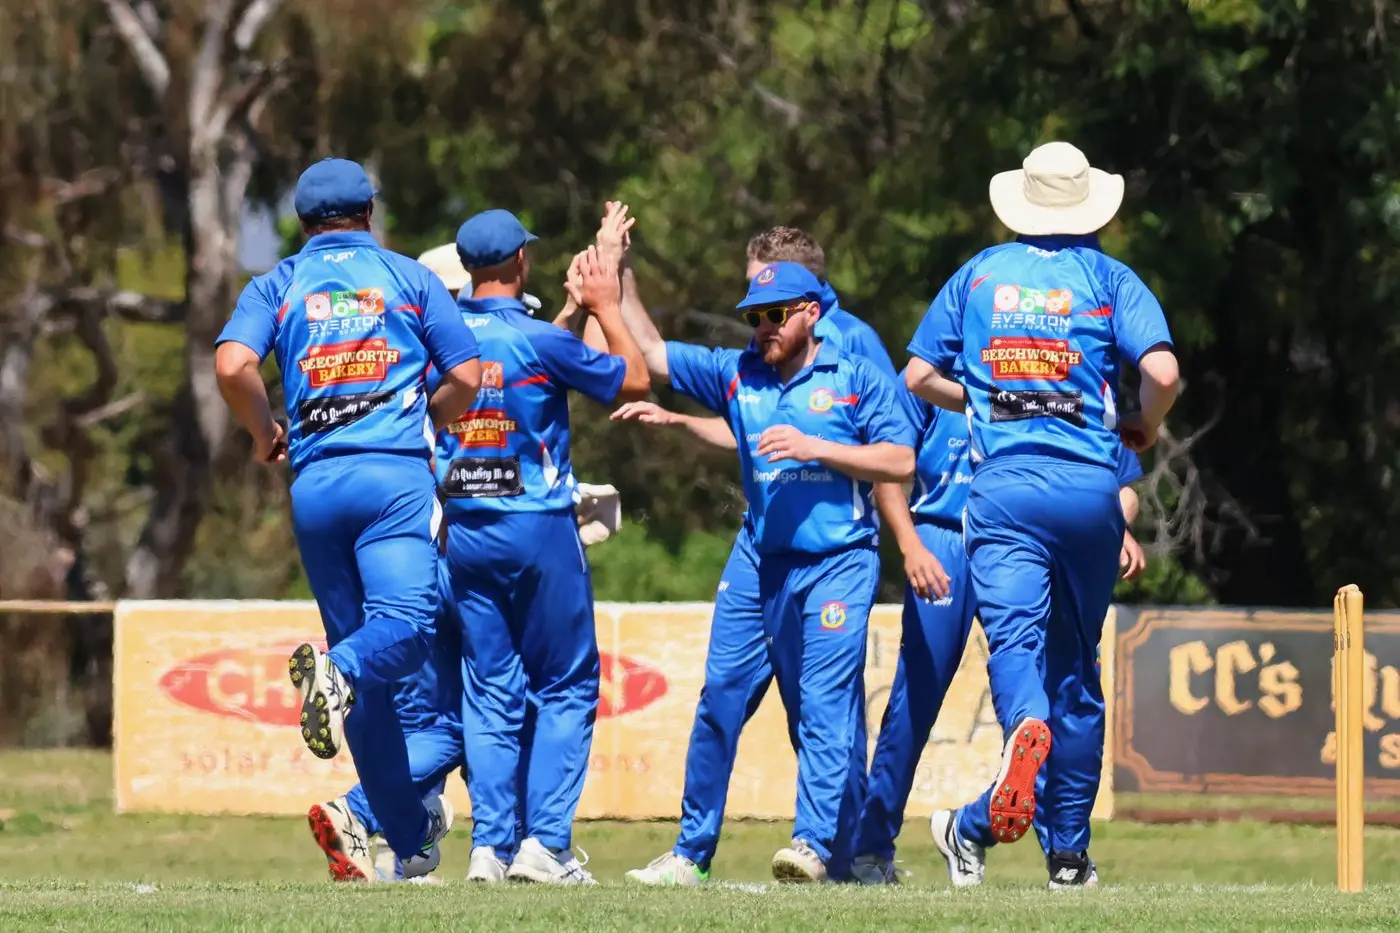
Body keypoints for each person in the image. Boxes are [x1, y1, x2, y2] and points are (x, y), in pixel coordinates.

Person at [904, 141, 1180, 888]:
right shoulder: (1109, 277)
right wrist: (1145, 424)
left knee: (1017, 644)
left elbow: (919, 375)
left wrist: (983, 399)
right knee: (1077, 670)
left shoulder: (979, 273)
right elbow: (1162, 370)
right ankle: (1068, 856)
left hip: (1004, 491)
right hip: (1091, 492)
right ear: (1090, 207)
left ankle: (1022, 726)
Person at [620, 228, 921, 887]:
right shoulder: (739, 372)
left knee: (823, 705)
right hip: (758, 560)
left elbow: (901, 459)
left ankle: (814, 845)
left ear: (811, 312)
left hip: (839, 562)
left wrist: (818, 448)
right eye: (755, 316)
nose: (763, 327)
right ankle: (691, 854)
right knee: (719, 700)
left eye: (775, 315)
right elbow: (654, 355)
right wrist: (622, 273)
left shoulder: (855, 375)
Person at [214, 158, 482, 879]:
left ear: (303, 223)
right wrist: (428, 418)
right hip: (391, 477)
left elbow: (233, 364)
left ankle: (407, 837)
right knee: (407, 628)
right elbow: (467, 375)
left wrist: (262, 431)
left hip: (316, 486)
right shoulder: (409, 278)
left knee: (363, 681)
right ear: (369, 213)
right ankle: (338, 670)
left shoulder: (276, 283)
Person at [849, 378, 1150, 884]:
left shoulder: (1050, 369)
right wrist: (911, 546)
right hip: (944, 542)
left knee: (1045, 697)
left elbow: (1120, 483)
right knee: (915, 698)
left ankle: (1062, 854)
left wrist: (1113, 528)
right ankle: (871, 850)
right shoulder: (932, 378)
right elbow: (888, 469)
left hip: (1025, 545)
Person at [437, 206, 650, 885]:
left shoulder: (439, 336)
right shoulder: (539, 341)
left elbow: (525, 356)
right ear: (521, 262)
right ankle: (546, 844)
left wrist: (572, 308)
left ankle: (489, 848)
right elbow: (633, 378)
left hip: (464, 531)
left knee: (488, 690)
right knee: (567, 681)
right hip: (537, 528)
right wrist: (605, 302)